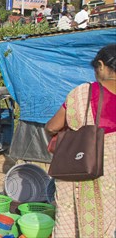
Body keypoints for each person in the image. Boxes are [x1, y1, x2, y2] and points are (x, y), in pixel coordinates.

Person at [45, 44, 116, 237]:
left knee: (68, 220)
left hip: (77, 170)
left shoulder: (84, 93)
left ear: (101, 65)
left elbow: (52, 126)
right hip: (111, 178)